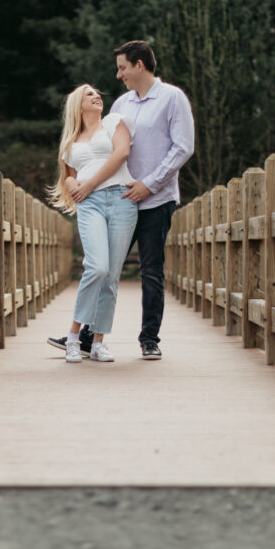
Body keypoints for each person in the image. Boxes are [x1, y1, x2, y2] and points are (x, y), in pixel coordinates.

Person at [48, 40, 194, 360]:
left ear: (139, 65)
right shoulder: (121, 106)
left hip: (155, 198)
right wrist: (75, 180)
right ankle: (85, 336)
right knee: (103, 268)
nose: (118, 75)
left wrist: (150, 184)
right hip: (119, 199)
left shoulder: (172, 98)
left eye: (122, 68)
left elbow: (182, 148)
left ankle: (149, 338)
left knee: (151, 270)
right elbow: (97, 150)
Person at [48, 84, 139, 363]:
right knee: (96, 267)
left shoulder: (114, 121)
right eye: (89, 94)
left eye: (99, 92)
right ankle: (74, 337)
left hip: (122, 199)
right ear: (78, 103)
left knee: (111, 275)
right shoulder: (70, 142)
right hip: (90, 205)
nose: (97, 95)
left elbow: (121, 154)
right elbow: (70, 176)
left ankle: (98, 341)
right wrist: (75, 183)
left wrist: (86, 184)